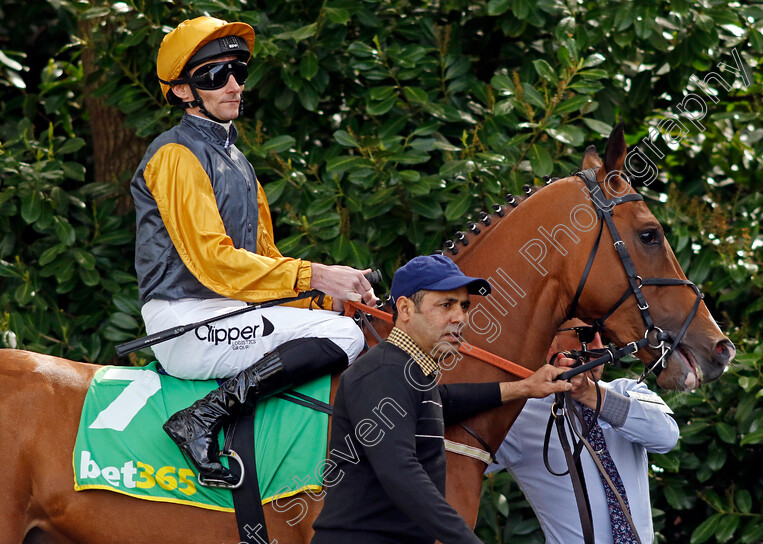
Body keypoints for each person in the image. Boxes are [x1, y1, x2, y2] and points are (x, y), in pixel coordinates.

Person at [130, 16, 376, 488]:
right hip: (185, 320)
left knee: (349, 323)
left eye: (238, 71)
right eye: (215, 76)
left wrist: (323, 298)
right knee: (345, 337)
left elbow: (264, 258)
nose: (234, 85)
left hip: (226, 313)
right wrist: (320, 276)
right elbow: (215, 262)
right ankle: (201, 417)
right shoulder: (175, 155)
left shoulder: (237, 161)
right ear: (184, 91)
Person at [311, 254, 575, 544]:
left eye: (464, 306)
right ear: (405, 309)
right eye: (446, 305)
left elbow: (442, 400)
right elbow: (401, 472)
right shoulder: (383, 372)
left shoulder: (408, 373)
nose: (460, 318)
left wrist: (525, 387)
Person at [487, 319, 680, 543]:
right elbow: (455, 462)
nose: (599, 346)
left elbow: (666, 437)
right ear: (548, 344)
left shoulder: (628, 390)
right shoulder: (520, 413)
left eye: (603, 335)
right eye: (585, 335)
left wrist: (591, 395)